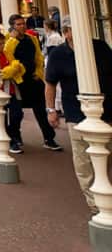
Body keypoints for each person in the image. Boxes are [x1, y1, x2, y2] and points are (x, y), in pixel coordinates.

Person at [45, 15, 112, 213]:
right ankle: (95, 203)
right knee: (83, 158)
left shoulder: (100, 48)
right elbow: (50, 84)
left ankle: (102, 189)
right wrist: (52, 110)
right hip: (76, 112)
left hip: (105, 110)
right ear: (66, 33)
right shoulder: (58, 55)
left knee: (105, 154)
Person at [4, 13, 61, 154]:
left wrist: (39, 72)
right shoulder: (9, 41)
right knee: (16, 113)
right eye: (18, 24)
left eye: (23, 23)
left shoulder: (31, 39)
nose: (22, 26)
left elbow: (38, 57)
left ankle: (49, 138)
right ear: (12, 26)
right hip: (18, 81)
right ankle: (15, 138)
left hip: (33, 79)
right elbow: (8, 57)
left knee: (41, 110)